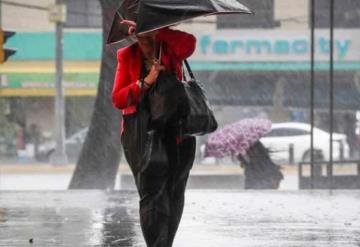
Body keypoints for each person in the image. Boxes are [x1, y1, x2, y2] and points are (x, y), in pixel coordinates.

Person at [112, 21, 197, 247]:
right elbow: (118, 99)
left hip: (178, 133)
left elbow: (189, 44)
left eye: (148, 38)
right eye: (140, 37)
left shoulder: (170, 47)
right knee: (151, 195)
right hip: (141, 134)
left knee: (174, 192)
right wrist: (146, 81)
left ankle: (165, 243)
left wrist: (157, 30)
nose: (144, 43)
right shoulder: (127, 56)